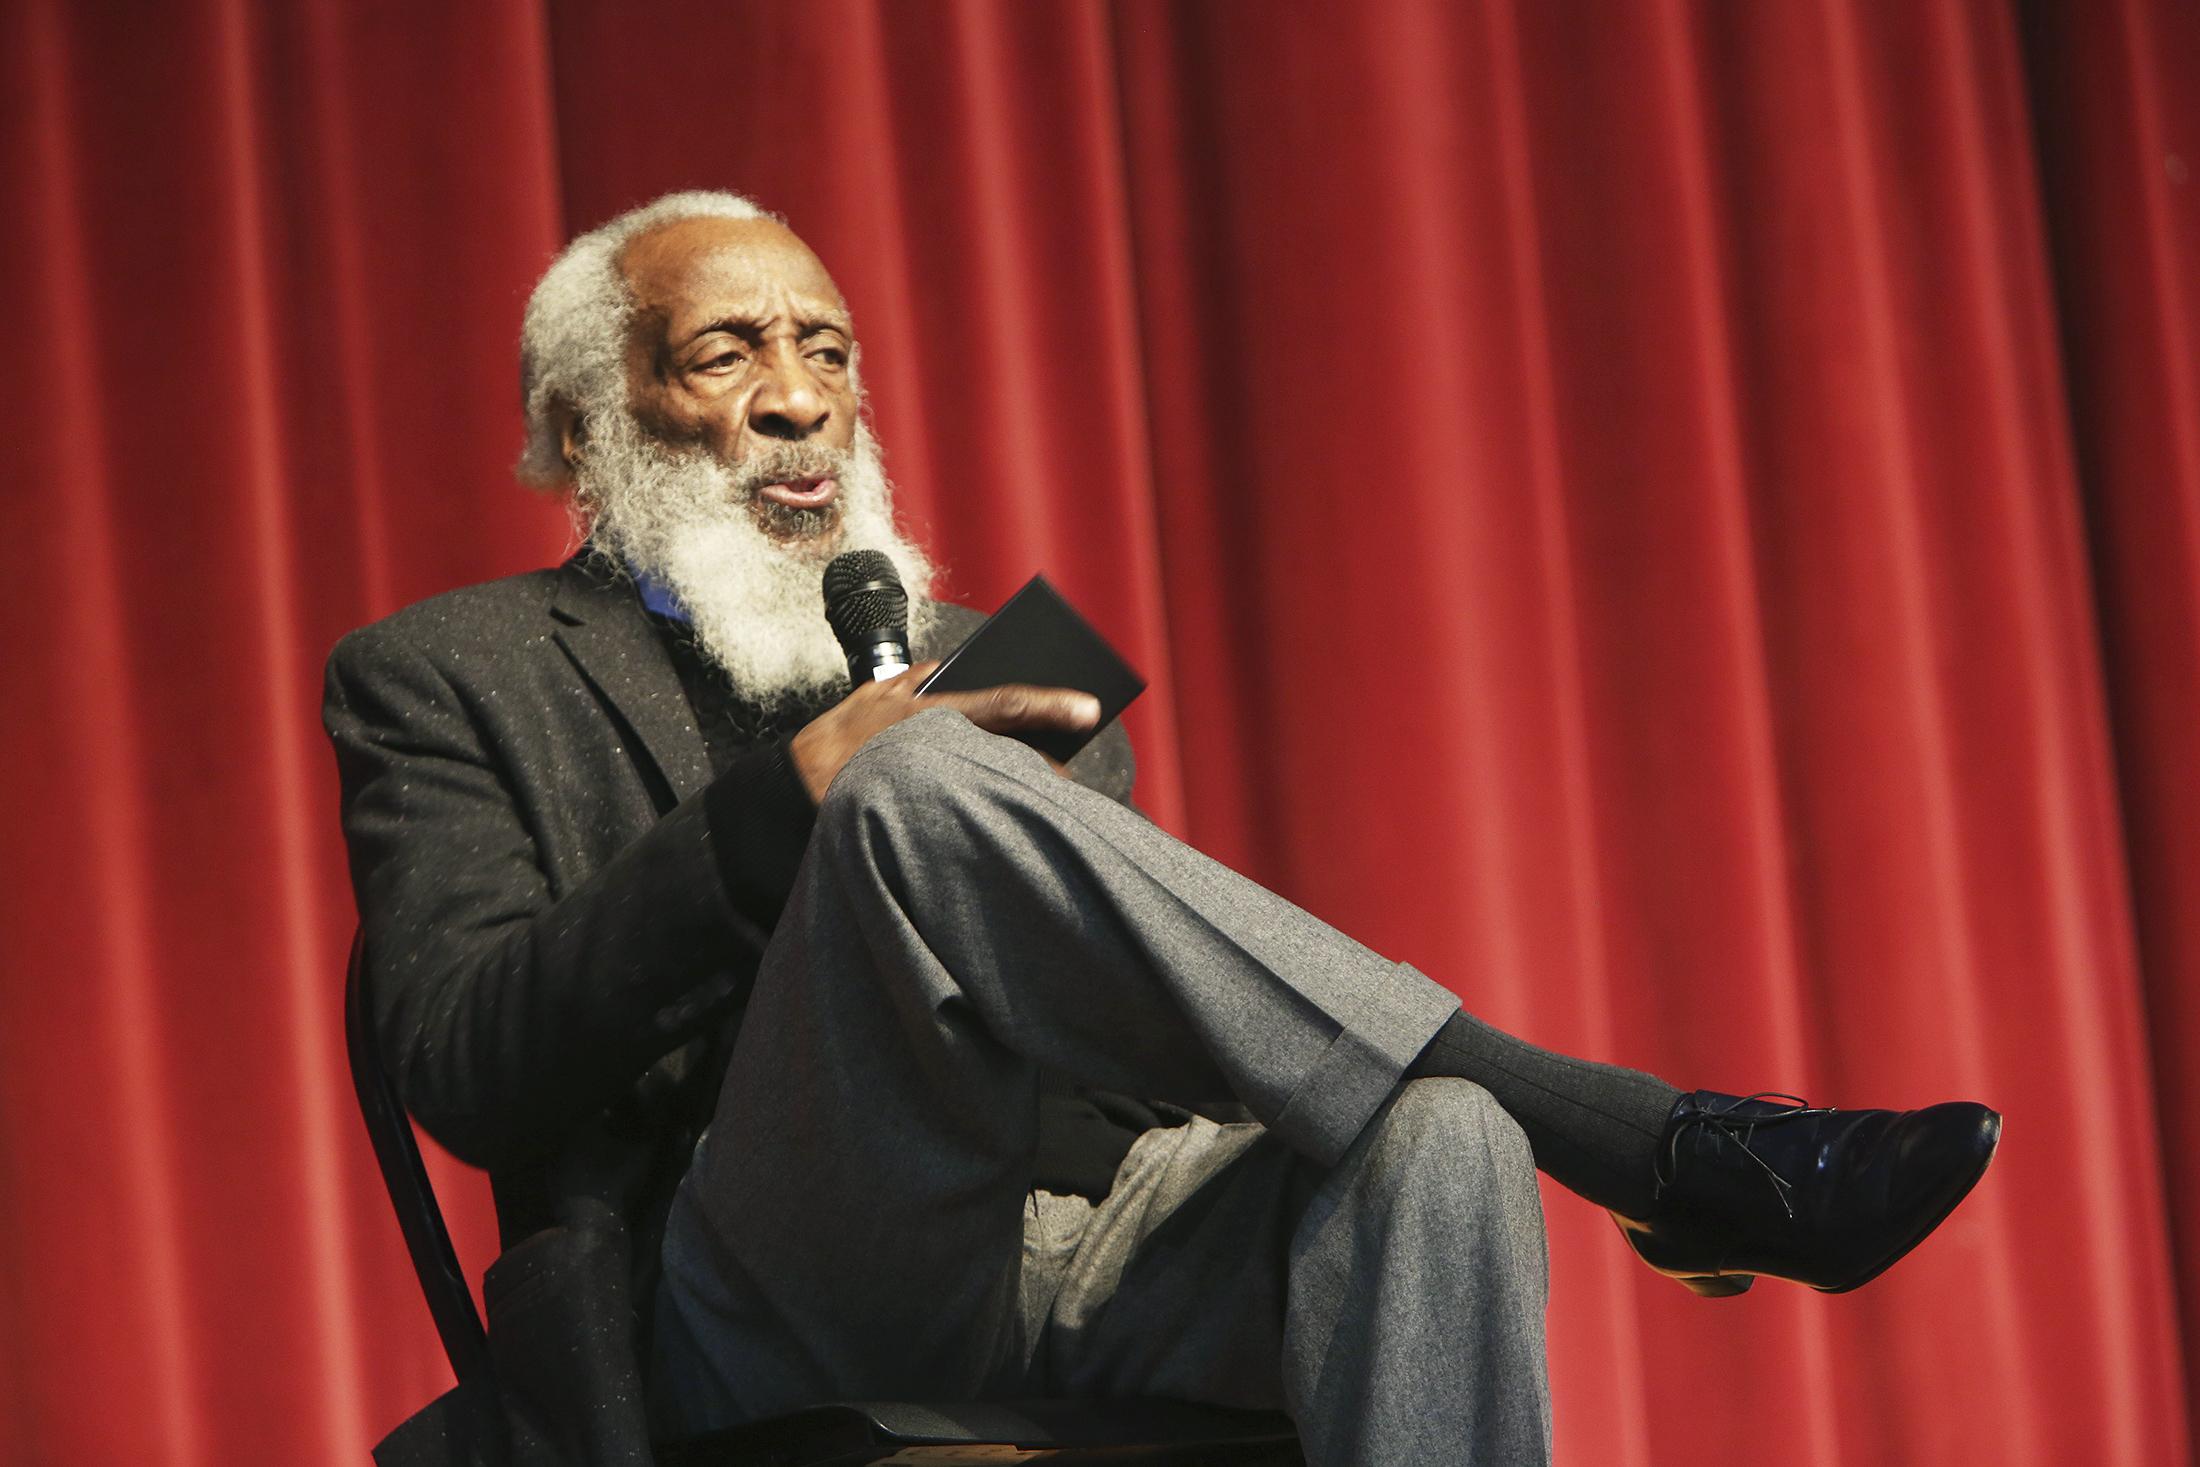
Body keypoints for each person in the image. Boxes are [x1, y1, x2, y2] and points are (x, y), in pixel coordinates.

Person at [325, 190, 2001, 1467]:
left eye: (827, 349)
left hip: (1086, 1242)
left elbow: (1148, 1050)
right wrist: (790, 813)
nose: (797, 397)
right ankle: (1644, 1143)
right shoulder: (448, 672)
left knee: (1444, 1150)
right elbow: (465, 1061)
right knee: (908, 782)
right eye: (726, 352)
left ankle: (1539, 1122)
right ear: (586, 426)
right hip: (757, 1279)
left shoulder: (990, 659)